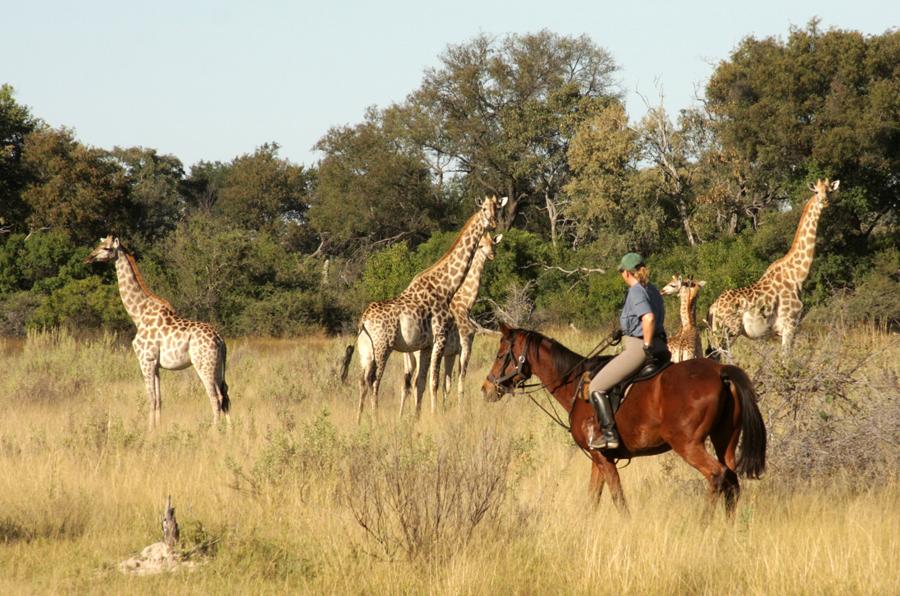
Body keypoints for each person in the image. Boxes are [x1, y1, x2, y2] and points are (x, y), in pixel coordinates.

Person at [586, 252, 667, 450]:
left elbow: (647, 318)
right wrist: (622, 331)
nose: (621, 275)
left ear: (626, 272)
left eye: (621, 271)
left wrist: (646, 346)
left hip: (639, 348)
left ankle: (609, 435)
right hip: (663, 346)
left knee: (595, 386)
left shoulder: (636, 291)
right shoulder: (653, 289)